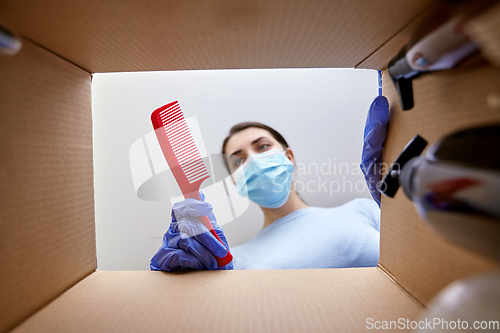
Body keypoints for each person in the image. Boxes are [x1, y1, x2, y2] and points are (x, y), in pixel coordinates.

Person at [150, 96, 388, 271]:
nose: (253, 160)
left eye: (262, 146)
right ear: (235, 182)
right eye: (238, 160)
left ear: (289, 157)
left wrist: (401, 207)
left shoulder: (362, 210)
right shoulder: (233, 260)